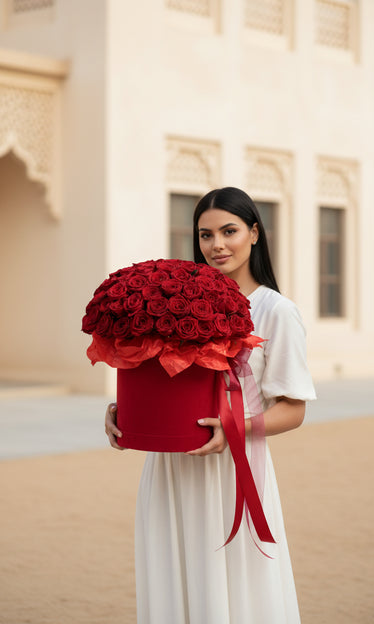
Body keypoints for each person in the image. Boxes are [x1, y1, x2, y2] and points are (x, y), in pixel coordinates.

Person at [105, 187, 316, 623]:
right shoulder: (169, 303)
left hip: (232, 466)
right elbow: (162, 380)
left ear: (254, 234)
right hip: (169, 468)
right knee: (172, 572)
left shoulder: (277, 311)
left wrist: (232, 429)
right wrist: (125, 412)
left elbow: (293, 409)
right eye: (205, 235)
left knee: (235, 585)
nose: (216, 245)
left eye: (229, 231)